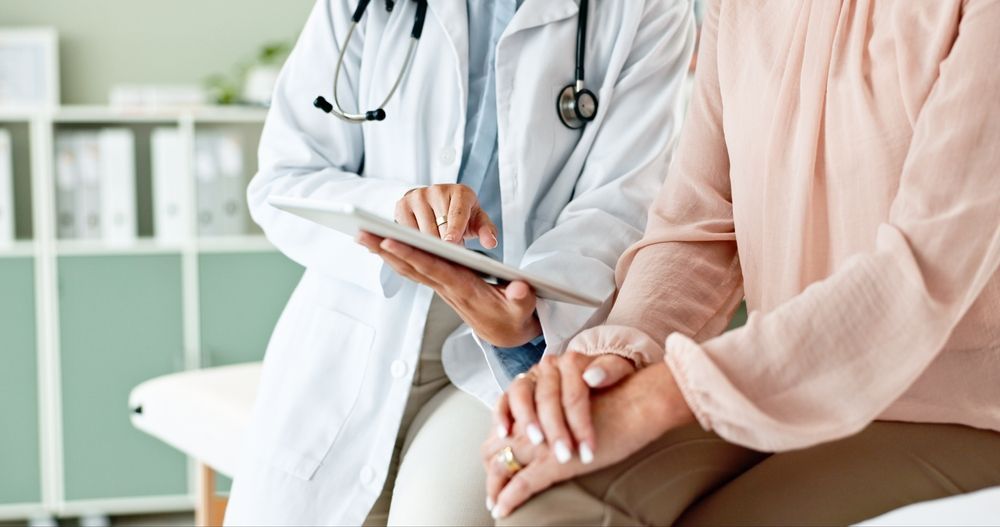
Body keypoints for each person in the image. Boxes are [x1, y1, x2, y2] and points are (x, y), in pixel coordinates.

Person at [481, 0, 1000, 524]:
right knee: (548, 504)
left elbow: (917, 280)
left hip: (952, 413)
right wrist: (610, 360)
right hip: (772, 382)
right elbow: (699, 223)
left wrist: (660, 396)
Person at [224, 0, 696, 525]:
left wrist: (528, 315)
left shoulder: (646, 9)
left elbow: (621, 203)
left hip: (513, 350)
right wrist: (398, 210)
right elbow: (284, 179)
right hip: (360, 327)